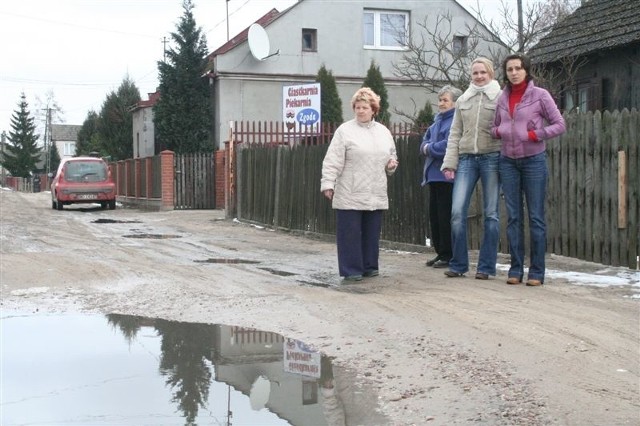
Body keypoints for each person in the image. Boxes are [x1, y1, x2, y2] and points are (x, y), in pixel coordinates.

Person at [492, 53, 566, 286]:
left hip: (534, 160)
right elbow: (494, 127)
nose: (513, 72)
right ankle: (515, 269)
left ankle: (536, 272)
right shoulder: (501, 98)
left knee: (536, 217)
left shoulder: (539, 95)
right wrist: (499, 132)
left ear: (526, 70)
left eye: (518, 68)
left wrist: (535, 134)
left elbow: (560, 125)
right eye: (510, 69)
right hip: (507, 161)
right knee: (513, 217)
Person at [320, 87, 399, 282]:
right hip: (350, 189)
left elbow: (392, 157)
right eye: (357, 107)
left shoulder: (384, 132)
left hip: (375, 190)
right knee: (350, 233)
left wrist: (391, 165)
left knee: (371, 232)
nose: (361, 111)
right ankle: (351, 269)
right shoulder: (345, 131)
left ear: (374, 110)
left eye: (365, 107)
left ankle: (370, 266)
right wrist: (328, 183)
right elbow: (332, 160)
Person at [441, 57, 502, 280]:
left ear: (490, 74)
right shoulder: (463, 100)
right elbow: (455, 133)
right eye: (475, 73)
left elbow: (506, 129)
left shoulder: (500, 98)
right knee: (457, 213)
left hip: (492, 157)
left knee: (492, 214)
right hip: (466, 159)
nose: (478, 76)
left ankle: (486, 267)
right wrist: (449, 162)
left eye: (482, 72)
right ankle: (458, 264)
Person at [420, 85, 463, 269]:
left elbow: (447, 145)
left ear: (455, 102)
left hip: (447, 176)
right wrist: (428, 147)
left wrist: (430, 148)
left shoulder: (455, 120)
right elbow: (424, 142)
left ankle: (449, 254)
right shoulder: (436, 121)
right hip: (433, 175)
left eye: (445, 100)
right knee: (435, 217)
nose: (441, 103)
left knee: (446, 217)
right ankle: (440, 252)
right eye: (440, 100)